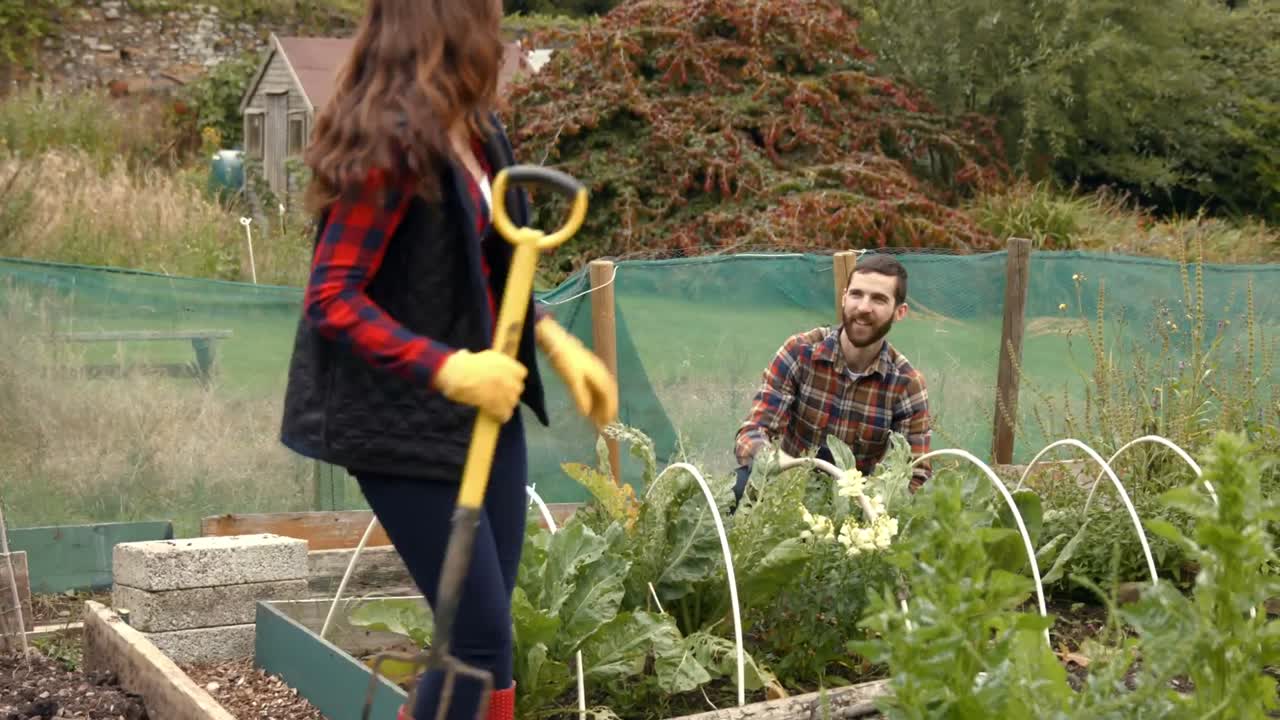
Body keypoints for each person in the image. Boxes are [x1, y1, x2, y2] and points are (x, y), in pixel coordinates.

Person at [276, 1, 618, 718]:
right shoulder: (391, 141)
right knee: (477, 637)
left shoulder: (478, 129)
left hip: (484, 418)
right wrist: (449, 368)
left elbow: (489, 271)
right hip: (399, 428)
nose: (499, 25)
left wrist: (553, 339)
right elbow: (332, 297)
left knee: (480, 641)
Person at [733, 253, 931, 501]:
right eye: (857, 294)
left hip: (854, 508)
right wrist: (777, 466)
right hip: (785, 491)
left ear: (899, 312)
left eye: (879, 299)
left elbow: (915, 475)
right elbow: (752, 432)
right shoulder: (800, 352)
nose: (863, 307)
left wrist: (875, 504)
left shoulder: (907, 385)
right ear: (844, 297)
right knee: (739, 487)